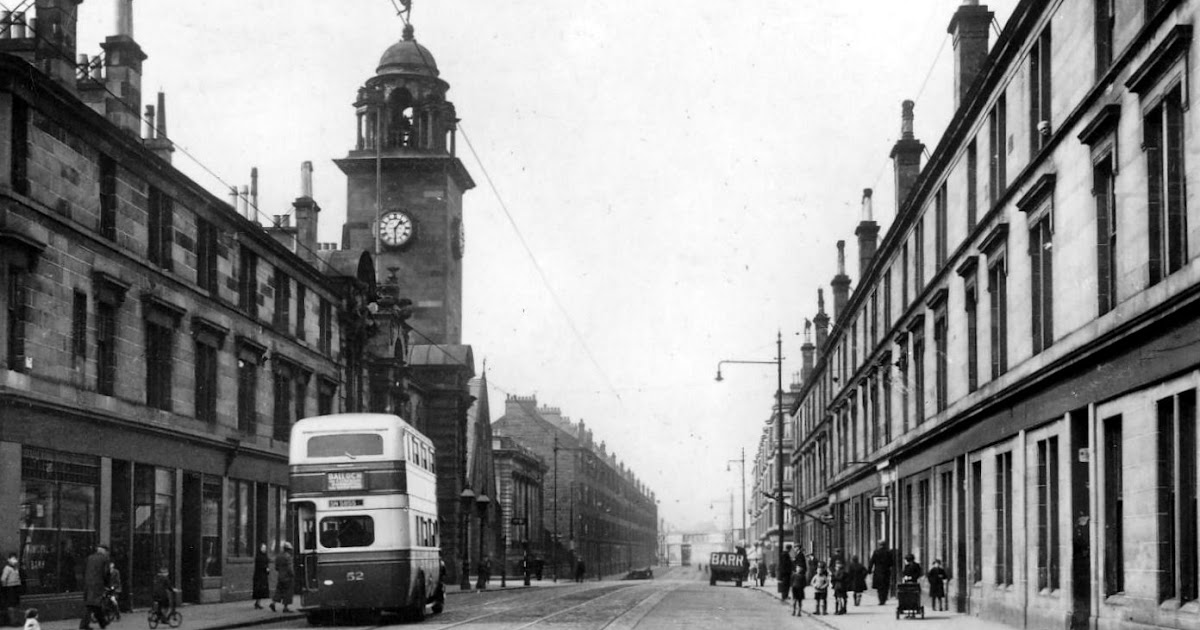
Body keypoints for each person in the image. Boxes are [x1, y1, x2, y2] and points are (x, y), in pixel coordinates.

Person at [78, 544, 110, 630]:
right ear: (104, 551)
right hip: (98, 585)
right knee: (92, 605)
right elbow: (106, 573)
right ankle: (84, 625)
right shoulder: (104, 559)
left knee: (94, 604)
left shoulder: (89, 558)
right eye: (106, 551)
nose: (107, 553)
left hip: (88, 584)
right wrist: (107, 585)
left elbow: (83, 570)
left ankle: (102, 623)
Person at [867, 540, 894, 606]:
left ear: (879, 545)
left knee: (879, 587)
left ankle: (881, 599)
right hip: (886, 571)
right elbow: (891, 562)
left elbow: (872, 561)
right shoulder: (888, 552)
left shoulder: (876, 552)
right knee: (886, 585)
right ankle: (884, 598)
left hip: (878, 571)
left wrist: (869, 570)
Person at [270, 542, 294, 613]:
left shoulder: (279, 556)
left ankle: (273, 603)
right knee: (287, 592)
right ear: (288, 549)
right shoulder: (288, 557)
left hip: (280, 576)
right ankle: (285, 607)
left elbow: (276, 567)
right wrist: (292, 574)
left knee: (279, 591)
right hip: (287, 577)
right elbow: (290, 568)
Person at [2, 553, 20, 628]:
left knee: (15, 604)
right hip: (10, 588)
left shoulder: (15, 568)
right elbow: (3, 579)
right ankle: (12, 621)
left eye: (15, 558)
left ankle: (15, 620)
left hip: (16, 587)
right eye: (12, 558)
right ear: (8, 559)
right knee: (11, 605)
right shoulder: (7, 568)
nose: (14, 560)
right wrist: (5, 589)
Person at [252, 543, 271, 609]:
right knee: (259, 589)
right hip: (259, 576)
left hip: (263, 575)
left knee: (261, 590)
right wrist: (266, 568)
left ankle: (258, 602)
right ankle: (258, 603)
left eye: (265, 548)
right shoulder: (259, 557)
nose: (264, 549)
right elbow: (261, 565)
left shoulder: (264, 556)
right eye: (263, 548)